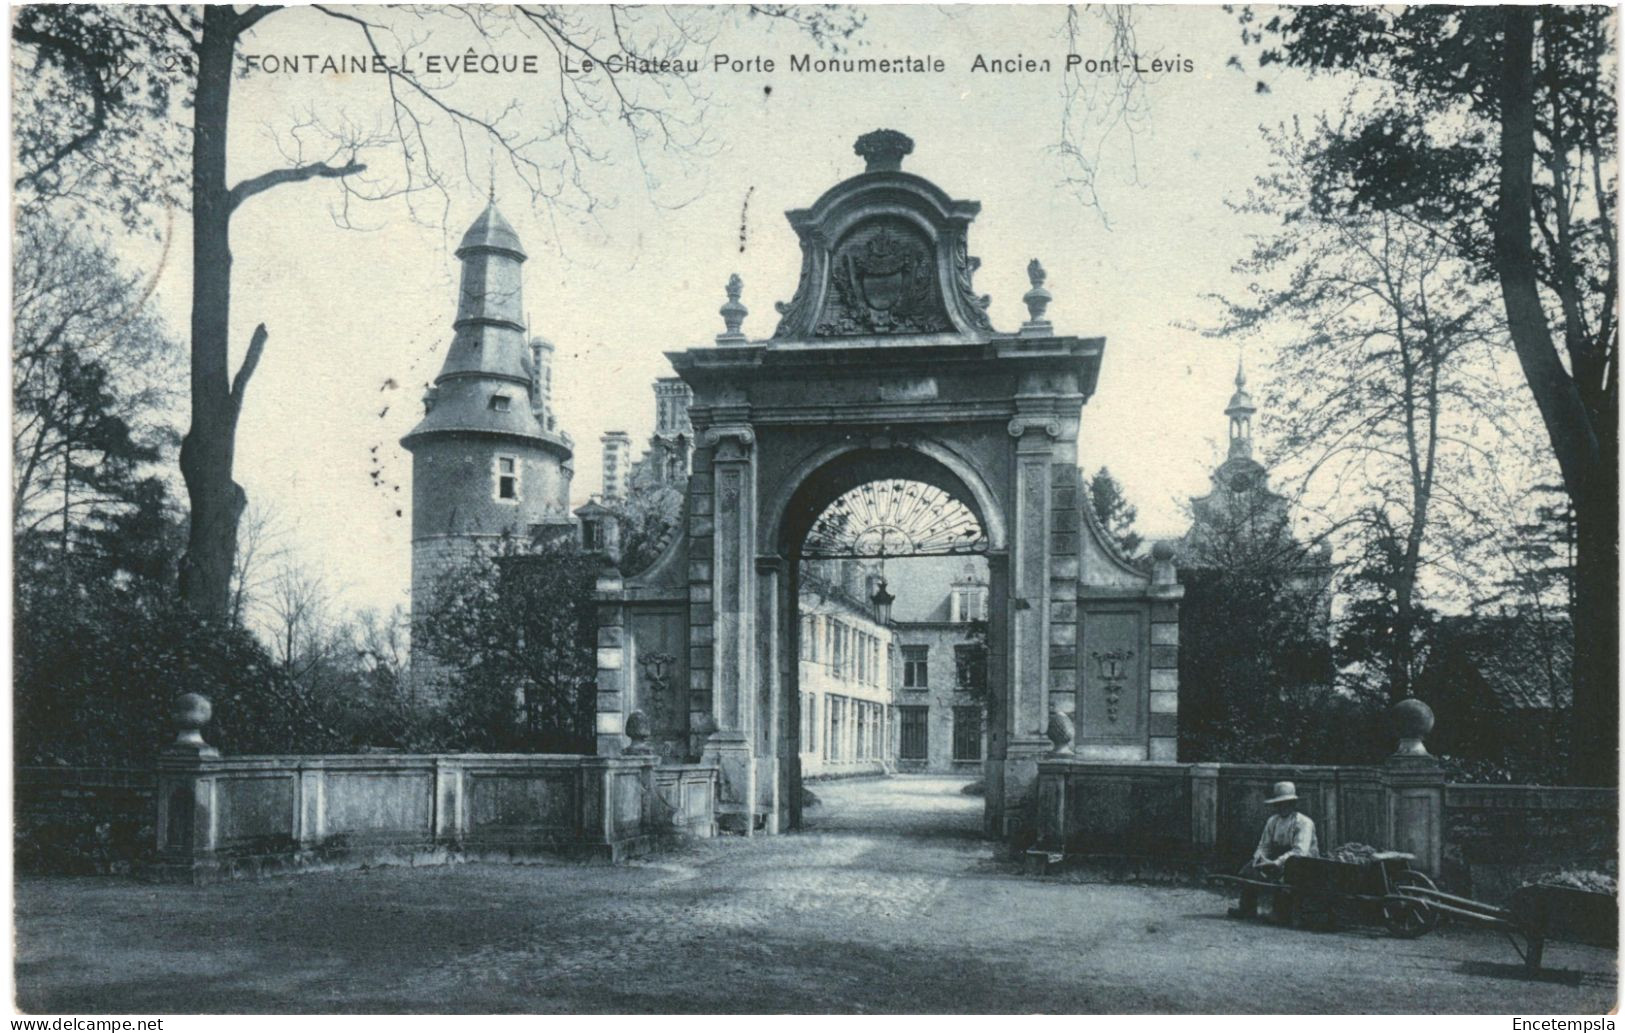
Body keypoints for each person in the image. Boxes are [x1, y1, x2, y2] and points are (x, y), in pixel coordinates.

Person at [1229, 780, 1318, 921]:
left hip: (1301, 863)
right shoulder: (1273, 821)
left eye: (1286, 803)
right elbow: (1264, 845)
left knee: (1289, 874)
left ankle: (1282, 912)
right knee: (1249, 869)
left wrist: (1277, 862)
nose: (1282, 807)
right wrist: (1260, 858)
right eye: (1279, 804)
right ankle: (1247, 908)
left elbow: (1300, 851)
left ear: (1293, 803)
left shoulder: (1303, 822)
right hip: (1277, 859)